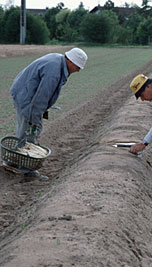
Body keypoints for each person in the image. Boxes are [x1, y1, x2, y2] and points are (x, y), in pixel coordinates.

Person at [3, 48, 88, 180]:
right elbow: (41, 98)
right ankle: (27, 170)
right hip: (26, 97)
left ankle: (12, 161)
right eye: (77, 66)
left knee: (24, 132)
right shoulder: (53, 71)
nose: (78, 70)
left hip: (24, 92)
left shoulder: (58, 61)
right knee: (30, 133)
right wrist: (35, 119)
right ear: (70, 61)